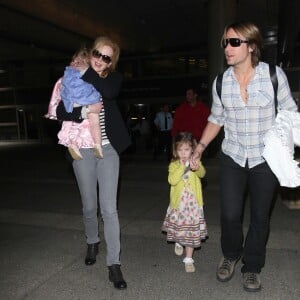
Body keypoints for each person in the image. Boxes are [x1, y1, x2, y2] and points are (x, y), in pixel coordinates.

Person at [192, 21, 297, 292]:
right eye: (225, 42)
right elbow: (217, 118)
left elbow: (289, 112)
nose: (228, 48)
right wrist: (200, 147)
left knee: (260, 217)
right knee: (229, 214)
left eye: (234, 42)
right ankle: (230, 255)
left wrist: (285, 147)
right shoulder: (221, 83)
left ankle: (252, 267)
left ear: (251, 46)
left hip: (265, 159)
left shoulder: (274, 76)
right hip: (233, 157)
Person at [55, 36, 131, 290]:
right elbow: (61, 110)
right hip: (81, 151)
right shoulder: (74, 75)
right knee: (89, 205)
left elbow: (108, 93)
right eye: (97, 53)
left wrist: (88, 71)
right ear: (91, 53)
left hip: (108, 150)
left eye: (106, 58)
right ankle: (92, 240)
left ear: (111, 63)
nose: (100, 60)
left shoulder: (112, 80)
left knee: (109, 208)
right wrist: (82, 111)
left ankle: (114, 264)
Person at [162, 132, 208, 273]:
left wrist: (197, 167)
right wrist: (182, 167)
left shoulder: (195, 162)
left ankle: (188, 259)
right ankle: (178, 241)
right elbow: (172, 180)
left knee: (191, 232)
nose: (183, 153)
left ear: (192, 150)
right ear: (176, 151)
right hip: (179, 205)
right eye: (180, 150)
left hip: (193, 205)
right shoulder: (174, 165)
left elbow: (202, 174)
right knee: (179, 229)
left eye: (186, 149)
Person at [45, 48, 103, 160]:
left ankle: (72, 144)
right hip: (89, 107)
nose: (75, 64)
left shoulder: (63, 79)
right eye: (74, 61)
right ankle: (97, 144)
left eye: (78, 61)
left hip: (71, 105)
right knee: (94, 123)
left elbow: (55, 101)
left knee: (68, 125)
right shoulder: (91, 77)